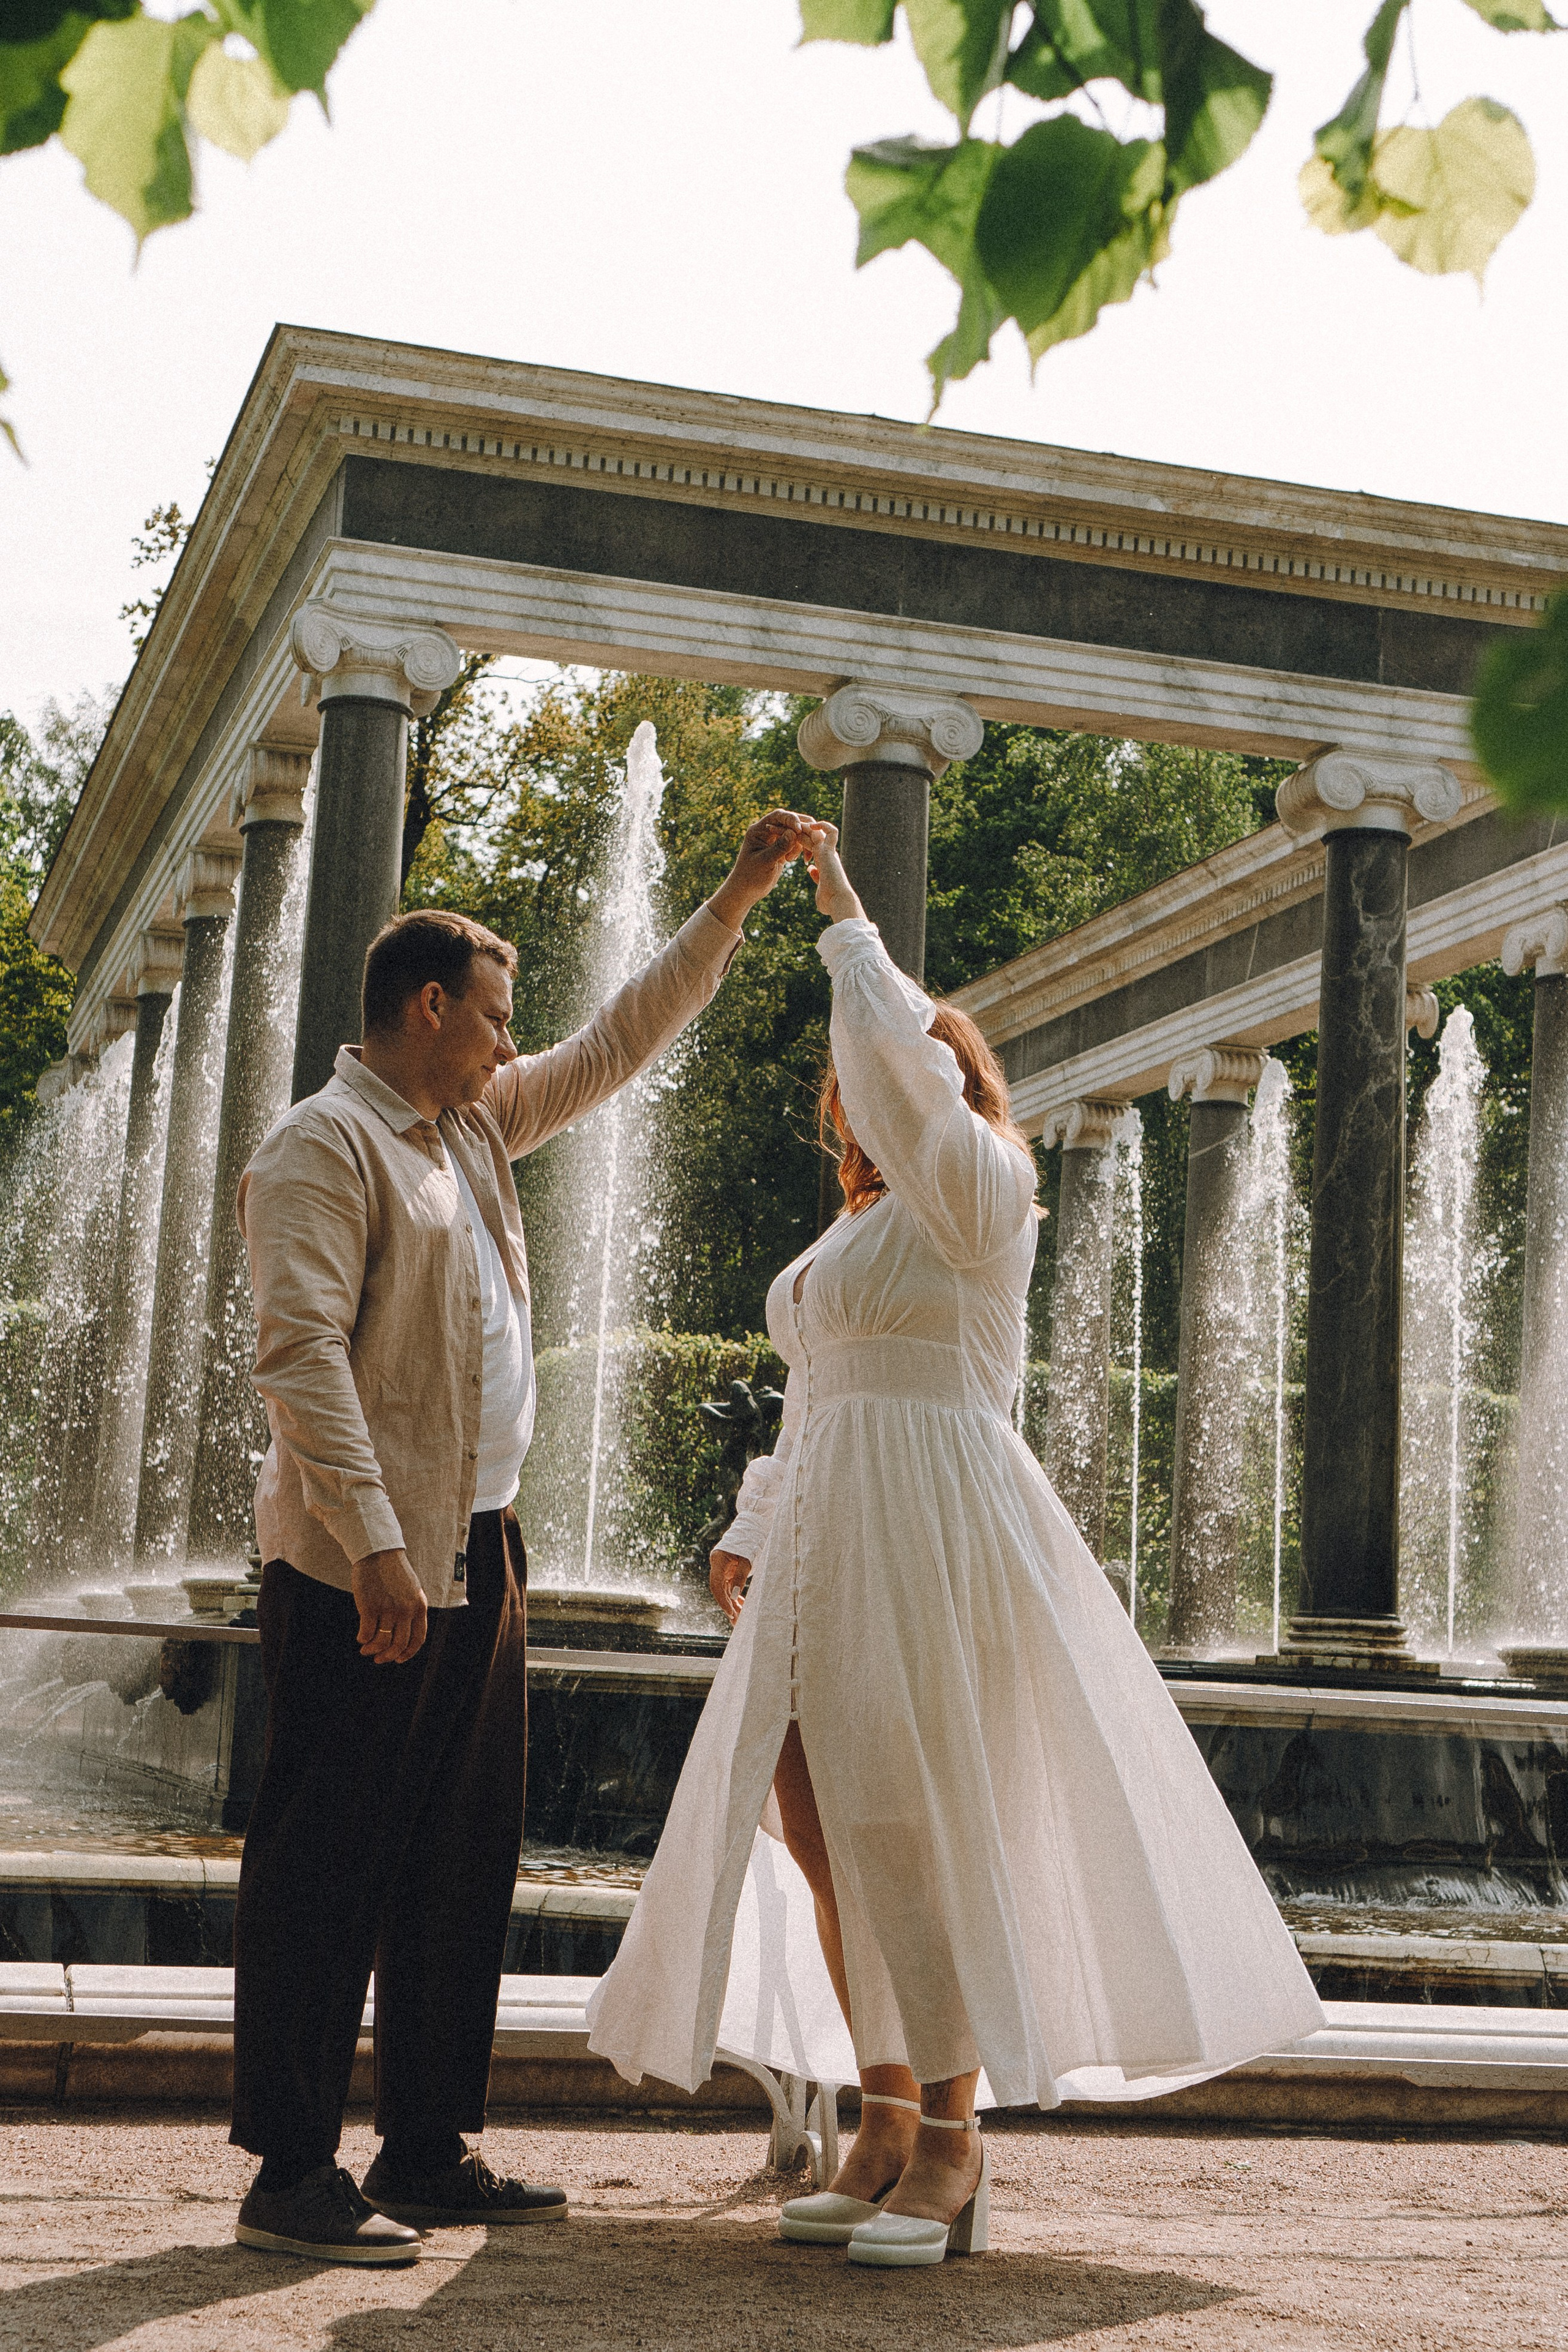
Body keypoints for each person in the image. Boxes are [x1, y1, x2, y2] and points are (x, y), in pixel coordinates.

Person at [587, 824, 1324, 2269]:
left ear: (935, 1076)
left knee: (929, 1826)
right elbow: (814, 1398)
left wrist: (847, 920)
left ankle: (955, 2139)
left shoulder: (981, 1190)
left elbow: (907, 1083)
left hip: (937, 1528)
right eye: (849, 1095)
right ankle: (877, 2111)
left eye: (883, 1080)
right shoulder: (857, 1233)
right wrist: (747, 1529)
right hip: (821, 1537)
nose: (855, 1108)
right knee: (818, 1837)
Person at [228, 806, 815, 2266]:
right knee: (324, 1859)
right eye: (492, 1018)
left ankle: (425, 2143)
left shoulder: (471, 1125)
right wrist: (372, 1548)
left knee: (455, 1856)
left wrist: (734, 899)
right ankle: (290, 2171)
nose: (509, 1043)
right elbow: (299, 1354)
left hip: (479, 1549)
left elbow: (618, 1044)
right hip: (359, 1564)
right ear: (427, 1008)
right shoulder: (324, 1145)